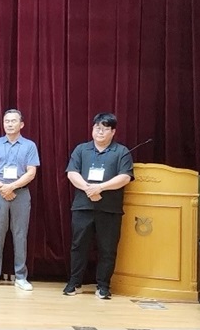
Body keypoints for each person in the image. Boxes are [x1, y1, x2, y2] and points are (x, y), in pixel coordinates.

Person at [64, 112, 134, 300]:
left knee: (107, 249)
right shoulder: (81, 149)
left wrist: (100, 188)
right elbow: (72, 173)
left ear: (113, 131)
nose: (100, 132)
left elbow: (125, 177)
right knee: (78, 246)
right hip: (83, 207)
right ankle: (74, 283)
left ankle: (103, 286)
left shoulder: (122, 152)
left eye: (105, 128)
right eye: (97, 128)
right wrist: (88, 189)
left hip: (109, 209)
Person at [0, 109, 40, 291]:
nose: (9, 124)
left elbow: (31, 172)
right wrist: (2, 187)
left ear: (21, 124)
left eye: (13, 121)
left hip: (20, 193)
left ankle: (21, 277)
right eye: (6, 121)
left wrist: (12, 187)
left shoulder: (29, 146)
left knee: (20, 235)